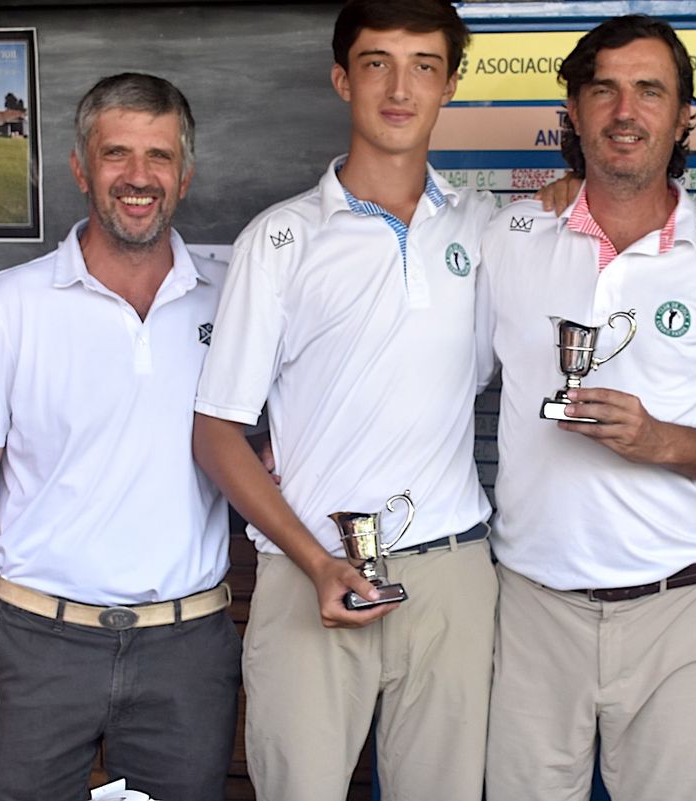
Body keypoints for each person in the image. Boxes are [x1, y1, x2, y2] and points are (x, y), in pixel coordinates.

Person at [191, 2, 496, 798]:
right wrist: (315, 560)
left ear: (450, 85)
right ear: (341, 78)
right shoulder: (280, 238)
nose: (401, 87)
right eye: (376, 63)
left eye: (424, 65)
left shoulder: (489, 227)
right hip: (308, 569)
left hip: (454, 575)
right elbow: (218, 434)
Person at [476, 15, 696, 801]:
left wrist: (659, 441)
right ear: (572, 111)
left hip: (676, 614)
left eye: (650, 90)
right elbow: (434, 376)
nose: (625, 110)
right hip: (529, 609)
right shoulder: (507, 237)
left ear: (684, 116)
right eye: (603, 89)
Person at [0, 73, 240, 801]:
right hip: (38, 643)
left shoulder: (232, 301)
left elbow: (268, 445)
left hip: (187, 647)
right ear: (80, 168)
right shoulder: (8, 305)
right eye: (116, 154)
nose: (139, 177)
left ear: (185, 175)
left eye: (159, 157)